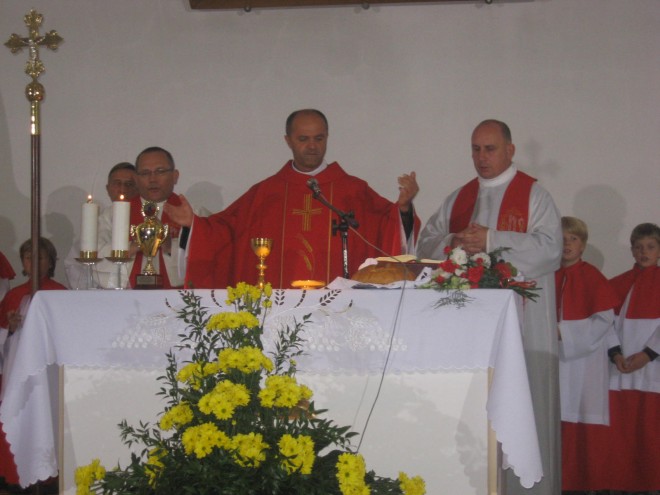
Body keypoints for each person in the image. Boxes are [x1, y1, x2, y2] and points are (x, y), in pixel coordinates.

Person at [417, 119, 562, 495]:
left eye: (491, 149)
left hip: (525, 332)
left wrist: (492, 239)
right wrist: (455, 240)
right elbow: (425, 244)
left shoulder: (534, 196)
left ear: (510, 150)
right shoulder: (459, 198)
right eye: (476, 149)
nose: (482, 157)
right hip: (470, 336)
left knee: (525, 407)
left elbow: (551, 249)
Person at [168, 109, 420, 288]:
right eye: (303, 139)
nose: (312, 146)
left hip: (340, 307)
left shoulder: (354, 190)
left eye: (319, 138)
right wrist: (195, 225)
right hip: (277, 304)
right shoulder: (265, 193)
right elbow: (226, 231)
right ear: (288, 140)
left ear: (327, 138)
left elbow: (385, 226)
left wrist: (403, 209)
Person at [554, 217, 618, 492]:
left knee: (581, 420)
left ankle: (583, 483)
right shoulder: (545, 275)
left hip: (585, 362)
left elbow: (604, 320)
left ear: (583, 246)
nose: (567, 244)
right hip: (553, 361)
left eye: (573, 239)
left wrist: (564, 333)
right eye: (562, 239)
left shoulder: (593, 277)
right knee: (553, 419)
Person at [0, 237, 67, 489]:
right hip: (18, 371)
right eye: (28, 258)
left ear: (50, 262)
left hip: (50, 373)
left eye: (40, 257)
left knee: (50, 418)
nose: (34, 262)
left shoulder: (61, 293)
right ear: (22, 263)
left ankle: (51, 477)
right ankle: (16, 477)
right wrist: (10, 328)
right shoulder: (14, 295)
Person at [600, 222, 659, 491]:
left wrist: (648, 354)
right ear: (632, 251)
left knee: (650, 432)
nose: (644, 252)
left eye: (650, 247)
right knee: (622, 432)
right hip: (621, 370)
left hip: (653, 370)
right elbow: (605, 323)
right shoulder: (617, 284)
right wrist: (615, 354)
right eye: (638, 247)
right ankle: (621, 483)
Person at [96, 147, 186, 289]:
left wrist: (170, 247)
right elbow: (94, 253)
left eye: (160, 171)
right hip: (126, 296)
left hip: (177, 297)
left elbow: (204, 257)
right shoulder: (112, 214)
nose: (152, 179)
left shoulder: (194, 214)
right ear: (136, 179)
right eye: (145, 173)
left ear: (175, 176)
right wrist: (132, 247)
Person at [64, 162, 138, 288]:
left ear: (139, 187)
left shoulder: (147, 214)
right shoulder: (100, 220)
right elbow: (93, 251)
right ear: (108, 188)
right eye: (117, 183)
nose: (123, 189)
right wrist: (130, 248)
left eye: (129, 184)